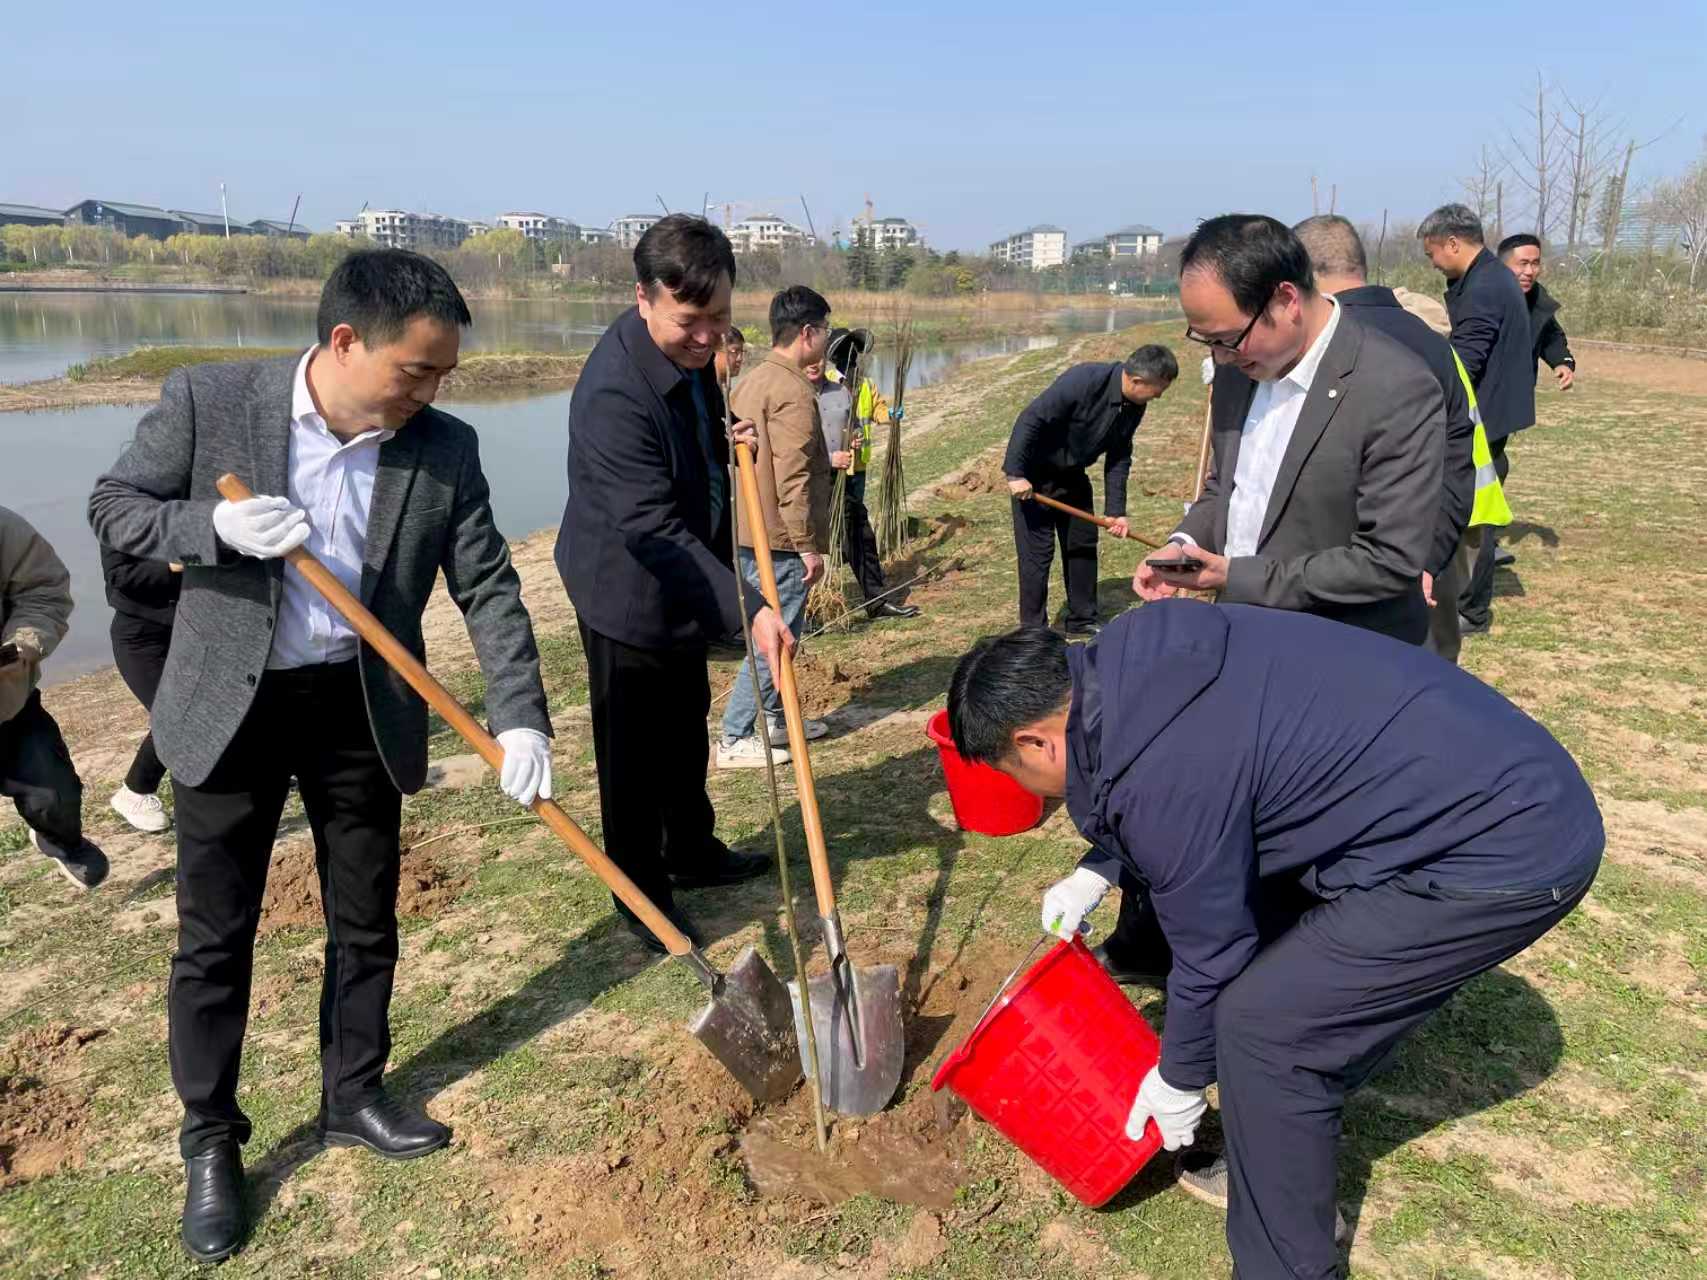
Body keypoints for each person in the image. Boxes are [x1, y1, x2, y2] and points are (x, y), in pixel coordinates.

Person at [89, 249, 554, 1264]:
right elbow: (114, 505)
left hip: (358, 704)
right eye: (415, 371)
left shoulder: (443, 447)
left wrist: (522, 717)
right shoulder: (210, 399)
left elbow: (488, 586)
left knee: (366, 915)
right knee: (216, 936)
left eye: (444, 375)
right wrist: (210, 524)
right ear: (345, 341)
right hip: (232, 704)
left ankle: (353, 1093)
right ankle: (211, 1138)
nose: (429, 393)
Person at [946, 605, 1602, 1280]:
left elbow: (1211, 947)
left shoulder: (1163, 773)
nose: (1027, 790)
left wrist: (1178, 1078)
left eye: (1011, 772)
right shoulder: (1139, 657)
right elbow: (1205, 783)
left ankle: (1282, 1256)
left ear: (1035, 743)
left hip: (1503, 850)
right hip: (1490, 775)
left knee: (1264, 1031)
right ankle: (1281, 1141)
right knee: (1278, 979)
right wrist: (1100, 868)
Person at [555, 216, 788, 942]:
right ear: (644, 297)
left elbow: (687, 433)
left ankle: (690, 849)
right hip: (626, 589)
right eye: (691, 321)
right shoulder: (614, 393)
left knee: (684, 729)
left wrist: (723, 439)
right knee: (633, 755)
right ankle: (642, 898)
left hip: (684, 580)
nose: (708, 336)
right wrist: (748, 607)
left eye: (720, 318)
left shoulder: (688, 359)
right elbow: (649, 526)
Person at [1137, 214, 1443, 646]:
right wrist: (1184, 545)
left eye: (1227, 339)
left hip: (1341, 647)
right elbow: (1227, 486)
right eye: (1207, 341)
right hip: (1240, 633)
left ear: (1286, 300)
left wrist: (1236, 575)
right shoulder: (1236, 370)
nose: (1219, 357)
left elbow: (1387, 562)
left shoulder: (1396, 386)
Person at [1292, 214, 1475, 662]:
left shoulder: (1318, 347)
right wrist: (1430, 557)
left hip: (1334, 577)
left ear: (1300, 272)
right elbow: (1458, 458)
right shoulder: (1434, 344)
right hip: (1426, 561)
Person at [717, 286, 836, 768]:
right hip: (780, 538)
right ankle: (735, 735)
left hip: (748, 530)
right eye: (825, 329)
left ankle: (772, 718)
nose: (827, 338)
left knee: (776, 630)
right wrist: (806, 543)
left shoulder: (750, 380)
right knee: (775, 635)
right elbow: (794, 474)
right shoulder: (792, 390)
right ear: (807, 333)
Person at [1004, 345, 1177, 635]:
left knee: (1082, 546)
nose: (1158, 397)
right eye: (1157, 391)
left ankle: (1081, 619)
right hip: (1034, 481)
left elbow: (1119, 456)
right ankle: (1033, 631)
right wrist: (1015, 473)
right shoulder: (1082, 380)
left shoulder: (1134, 405)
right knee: (1037, 556)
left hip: (1073, 477)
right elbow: (1031, 418)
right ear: (1137, 380)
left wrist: (1115, 511)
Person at [1418, 204, 1533, 636]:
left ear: (1452, 243)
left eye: (1432, 252)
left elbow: (1466, 358)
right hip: (1492, 409)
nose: (1432, 262)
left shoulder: (1484, 285)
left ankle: (1472, 610)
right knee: (1473, 507)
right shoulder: (1485, 277)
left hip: (1485, 413)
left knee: (1473, 511)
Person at [1, 507, 109, 889]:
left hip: (8, 703)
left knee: (54, 797)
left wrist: (19, 648)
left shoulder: (3, 527)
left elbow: (44, 591)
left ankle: (62, 840)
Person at [820, 327, 919, 621]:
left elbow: (877, 411)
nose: (854, 364)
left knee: (856, 525)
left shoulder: (866, 386)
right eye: (848, 358)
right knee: (833, 529)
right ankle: (824, 596)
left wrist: (890, 416)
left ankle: (874, 598)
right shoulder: (825, 384)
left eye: (856, 358)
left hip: (857, 464)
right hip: (828, 471)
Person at [100, 542, 181, 831]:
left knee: (226, 701)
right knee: (175, 715)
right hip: (140, 639)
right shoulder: (120, 518)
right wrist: (174, 566)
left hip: (190, 631)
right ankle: (134, 792)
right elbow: (119, 576)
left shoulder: (195, 513)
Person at [1500, 233, 1577, 394]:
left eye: (1535, 263)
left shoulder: (1537, 300)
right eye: (1523, 264)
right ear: (1501, 266)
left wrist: (1562, 362)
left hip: (1520, 394)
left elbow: (1550, 337)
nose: (1529, 271)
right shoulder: (1480, 299)